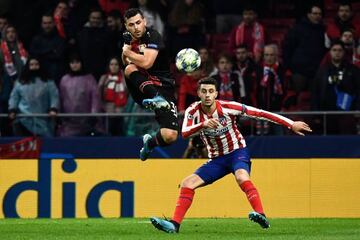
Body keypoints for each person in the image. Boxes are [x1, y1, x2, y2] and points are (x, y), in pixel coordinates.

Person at [150, 77, 312, 233]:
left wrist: (291, 124)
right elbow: (184, 133)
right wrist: (203, 124)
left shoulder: (229, 107)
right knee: (187, 183)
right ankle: (174, 225)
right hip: (217, 160)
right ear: (198, 93)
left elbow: (261, 113)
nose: (207, 95)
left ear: (216, 94)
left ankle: (261, 215)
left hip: (237, 152)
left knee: (242, 177)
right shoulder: (193, 110)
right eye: (204, 91)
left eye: (211, 91)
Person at [121, 8, 178, 160]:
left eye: (138, 23)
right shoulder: (128, 39)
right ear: (126, 26)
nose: (136, 27)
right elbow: (126, 63)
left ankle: (150, 143)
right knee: (129, 68)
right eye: (131, 25)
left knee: (170, 135)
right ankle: (155, 98)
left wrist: (126, 52)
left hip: (163, 86)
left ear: (145, 22)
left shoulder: (153, 36)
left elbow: (147, 62)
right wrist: (126, 50)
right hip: (143, 88)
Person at [8, 57, 59, 137]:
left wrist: (53, 108)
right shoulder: (20, 82)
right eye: (31, 65)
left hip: (44, 119)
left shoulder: (48, 82)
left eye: (36, 64)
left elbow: (54, 96)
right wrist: (12, 109)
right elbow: (14, 97)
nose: (34, 67)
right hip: (23, 120)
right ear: (28, 66)